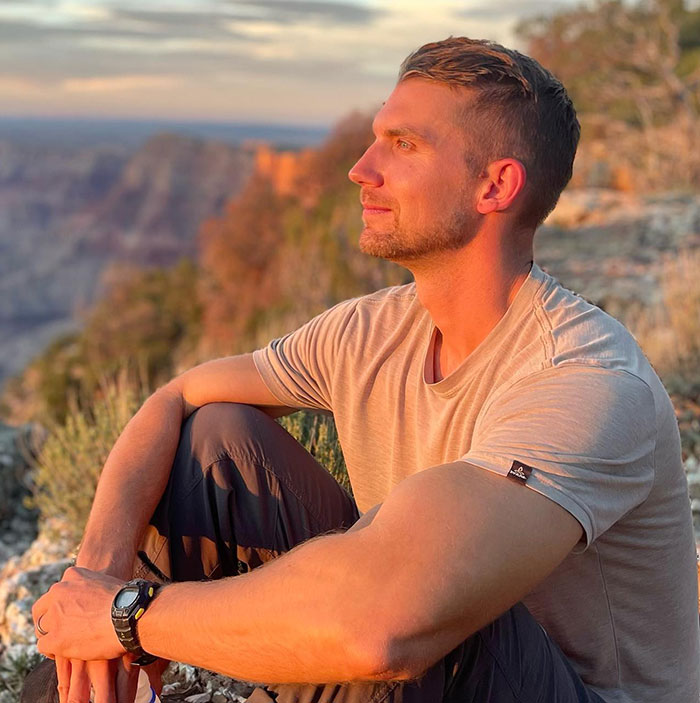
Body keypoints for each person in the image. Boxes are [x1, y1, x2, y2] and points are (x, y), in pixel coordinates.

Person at [25, 37, 699, 703]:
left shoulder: (587, 381)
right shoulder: (373, 329)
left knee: (394, 606)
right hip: (410, 634)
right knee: (216, 440)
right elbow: (176, 397)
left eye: (404, 144)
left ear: (496, 184)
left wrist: (129, 612)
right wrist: (101, 566)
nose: (360, 168)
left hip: (543, 683)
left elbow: (384, 626)